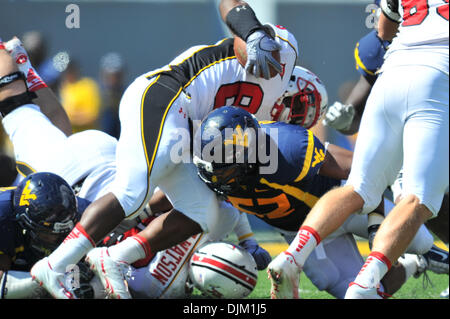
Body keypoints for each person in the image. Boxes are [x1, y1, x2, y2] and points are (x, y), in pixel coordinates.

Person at [24, 0, 298, 299]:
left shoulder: (263, 119)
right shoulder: (282, 58)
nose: (302, 114)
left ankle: (115, 257)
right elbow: (231, 10)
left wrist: (248, 239)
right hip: (166, 95)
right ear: (299, 83)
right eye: (304, 104)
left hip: (182, 125)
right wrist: (254, 34)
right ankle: (55, 264)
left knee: (201, 209)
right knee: (133, 192)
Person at [267, 0, 449, 299]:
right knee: (418, 199)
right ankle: (365, 285)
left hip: (392, 71)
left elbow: (383, 32)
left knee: (358, 188)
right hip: (438, 77)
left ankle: (292, 257)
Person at [192, 104, 447, 298]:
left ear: (247, 154)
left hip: (347, 205)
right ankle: (413, 264)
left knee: (419, 239)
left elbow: (366, 174)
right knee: (352, 290)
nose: (213, 171)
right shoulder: (215, 173)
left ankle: (423, 252)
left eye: (221, 163)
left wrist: (375, 223)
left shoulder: (287, 149)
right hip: (295, 228)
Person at [0, 172, 91, 299]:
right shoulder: (4, 217)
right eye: (46, 233)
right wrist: (43, 283)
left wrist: (75, 279)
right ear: (23, 222)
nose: (55, 240)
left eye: (62, 234)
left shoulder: (84, 212)